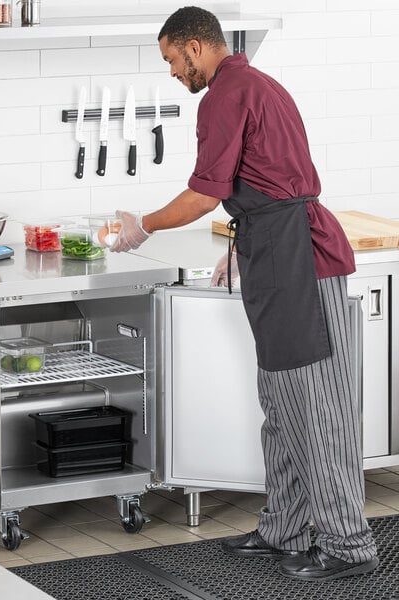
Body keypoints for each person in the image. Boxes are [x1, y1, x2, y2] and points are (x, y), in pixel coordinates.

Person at [110, 6, 378, 581]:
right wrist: (241, 244)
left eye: (172, 61)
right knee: (282, 404)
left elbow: (206, 194)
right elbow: (264, 179)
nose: (173, 75)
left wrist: (145, 225)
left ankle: (348, 546)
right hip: (275, 249)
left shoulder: (225, 94)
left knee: (318, 410)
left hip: (303, 261)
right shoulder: (253, 82)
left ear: (194, 46)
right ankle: (285, 528)